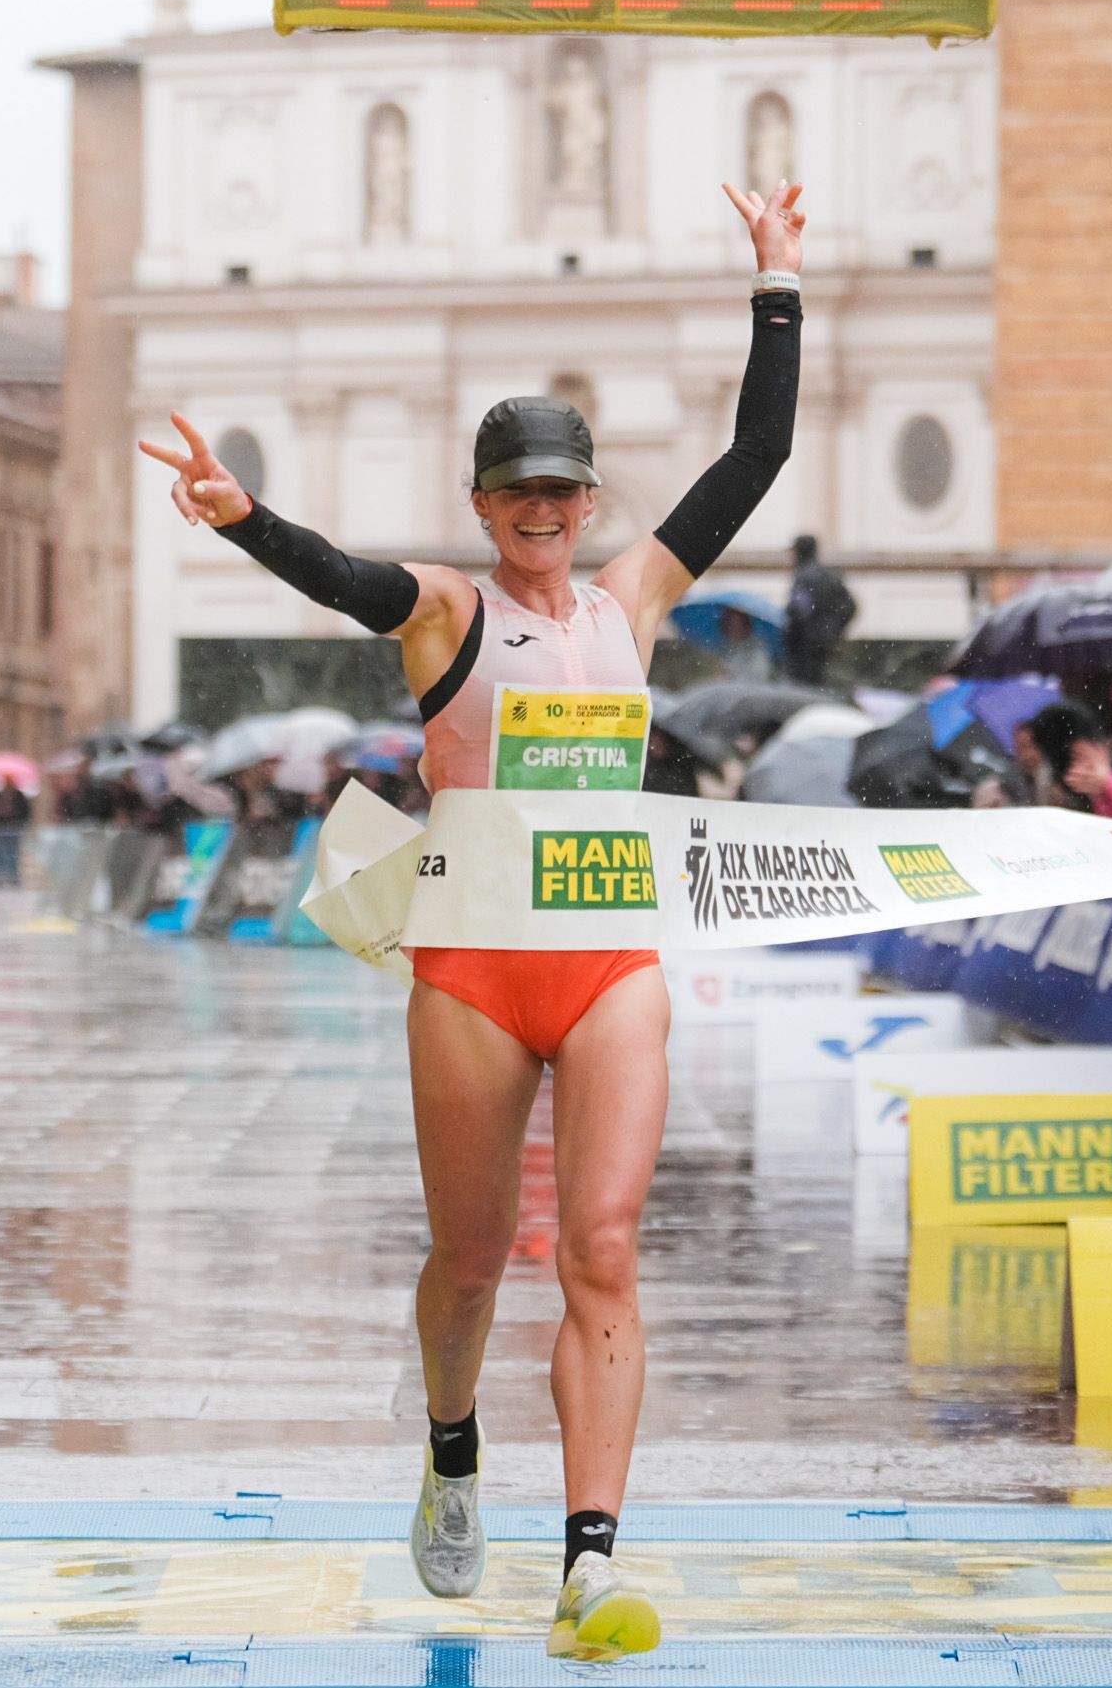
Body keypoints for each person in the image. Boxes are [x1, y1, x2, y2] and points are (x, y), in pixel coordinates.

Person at [137, 176, 806, 1664]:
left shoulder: (633, 598)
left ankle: (588, 1556)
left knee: (607, 1248)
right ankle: (449, 1439)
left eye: (565, 495)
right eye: (521, 497)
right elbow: (344, 578)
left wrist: (774, 284)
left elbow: (756, 453)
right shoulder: (447, 610)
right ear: (486, 506)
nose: (547, 516)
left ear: (587, 502)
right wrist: (243, 517)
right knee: (469, 1257)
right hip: (474, 975)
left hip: (607, 963)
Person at [779, 533, 857, 686]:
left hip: (806, 646)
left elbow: (800, 610)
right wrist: (833, 629)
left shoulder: (803, 576)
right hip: (826, 643)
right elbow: (850, 607)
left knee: (805, 687)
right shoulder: (828, 575)